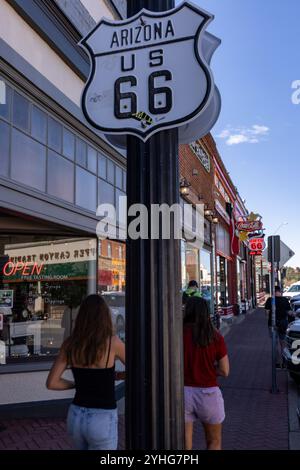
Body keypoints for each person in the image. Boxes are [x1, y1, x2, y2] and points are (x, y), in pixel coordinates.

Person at [46, 294, 125, 450]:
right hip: (102, 417)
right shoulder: (112, 342)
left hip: (76, 416)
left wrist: (79, 384)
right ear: (105, 316)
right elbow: (138, 368)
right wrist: (116, 376)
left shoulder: (70, 344)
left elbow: (52, 383)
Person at [183, 297, 229, 450]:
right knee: (213, 442)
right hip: (208, 392)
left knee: (184, 443)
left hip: (182, 392)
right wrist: (209, 369)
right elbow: (225, 370)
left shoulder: (177, 334)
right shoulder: (215, 336)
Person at [265, 286, 291, 367]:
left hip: (272, 324)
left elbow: (267, 312)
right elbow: (289, 312)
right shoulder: (285, 300)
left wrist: (269, 320)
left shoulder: (270, 300)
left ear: (273, 292)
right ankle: (284, 361)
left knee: (274, 344)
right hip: (283, 324)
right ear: (280, 291)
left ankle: (277, 362)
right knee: (283, 343)